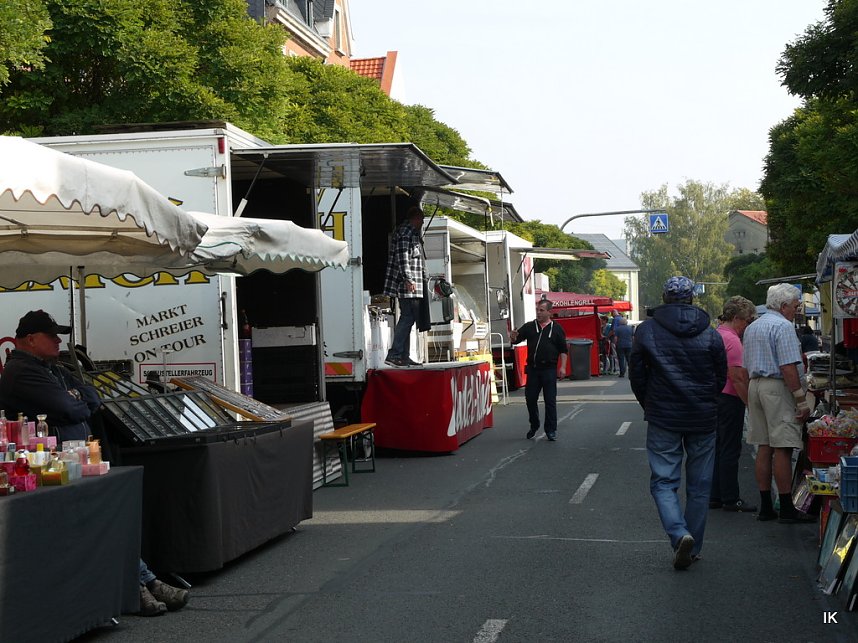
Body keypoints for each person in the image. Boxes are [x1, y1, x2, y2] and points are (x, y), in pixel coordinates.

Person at [0, 310, 190, 616]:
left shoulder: (53, 368)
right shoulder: (22, 371)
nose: (58, 340)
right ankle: (141, 584)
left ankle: (146, 582)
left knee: (108, 519)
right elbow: (69, 407)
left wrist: (76, 398)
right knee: (101, 523)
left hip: (73, 460)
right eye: (51, 335)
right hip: (52, 466)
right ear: (31, 340)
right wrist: (75, 400)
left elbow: (91, 394)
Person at [629, 277, 727, 570]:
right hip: (703, 417)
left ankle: (678, 532)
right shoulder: (711, 334)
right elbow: (720, 376)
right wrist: (708, 401)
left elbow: (636, 375)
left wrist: (649, 403)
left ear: (664, 297)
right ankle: (693, 545)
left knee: (663, 482)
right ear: (692, 299)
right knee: (700, 485)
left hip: (663, 416)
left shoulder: (646, 331)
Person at [743, 284, 815, 524]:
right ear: (783, 306)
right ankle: (786, 507)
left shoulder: (753, 326)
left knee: (764, 445)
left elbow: (745, 366)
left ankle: (766, 507)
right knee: (783, 446)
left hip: (756, 385)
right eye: (795, 306)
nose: (797, 309)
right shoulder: (783, 326)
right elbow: (787, 367)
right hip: (776, 387)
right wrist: (801, 400)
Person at [710, 296, 758, 513]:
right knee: (730, 448)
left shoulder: (716, 334)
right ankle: (731, 497)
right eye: (747, 321)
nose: (747, 326)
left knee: (717, 448)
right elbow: (737, 377)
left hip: (715, 397)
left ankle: (715, 495)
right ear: (737, 317)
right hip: (729, 399)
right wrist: (749, 405)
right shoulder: (732, 341)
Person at [510, 300, 568, 441]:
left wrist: (563, 367)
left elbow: (563, 350)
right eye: (538, 310)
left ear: (549, 312)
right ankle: (534, 424)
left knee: (550, 400)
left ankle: (551, 430)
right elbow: (516, 340)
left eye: (542, 310)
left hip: (549, 369)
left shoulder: (557, 329)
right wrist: (512, 336)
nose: (539, 312)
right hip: (533, 369)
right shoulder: (530, 326)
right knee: (530, 399)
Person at [383, 206, 426, 367]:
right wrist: (408, 279)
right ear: (415, 218)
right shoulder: (405, 233)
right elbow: (402, 258)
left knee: (410, 318)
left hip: (411, 284)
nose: (422, 223)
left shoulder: (410, 233)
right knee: (407, 317)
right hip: (407, 285)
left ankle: (404, 356)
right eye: (421, 220)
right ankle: (394, 354)